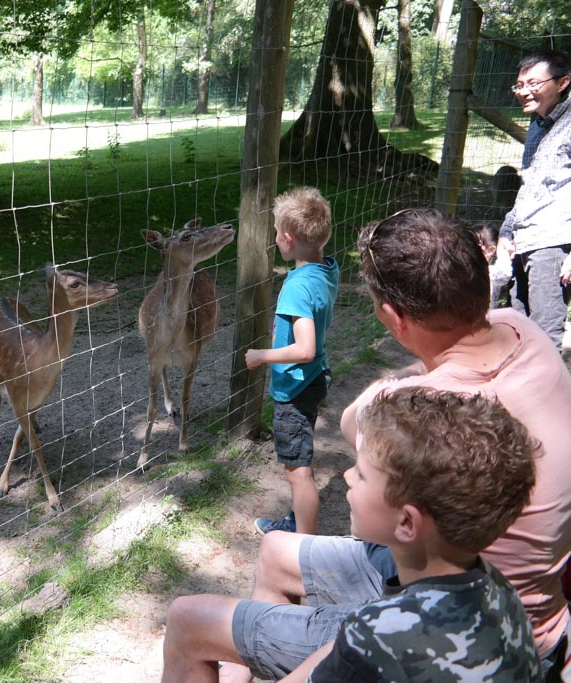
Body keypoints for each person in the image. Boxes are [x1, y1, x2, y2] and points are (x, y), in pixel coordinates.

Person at [160, 209, 571, 682]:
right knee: (276, 549)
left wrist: (399, 382)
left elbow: (357, 423)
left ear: (394, 318)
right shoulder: (523, 329)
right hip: (485, 582)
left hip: (448, 617)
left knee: (189, 621)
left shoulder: (422, 410)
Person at [302, 387, 539, 681]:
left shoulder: (373, 634)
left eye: (362, 475)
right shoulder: (499, 586)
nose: (347, 477)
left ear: (407, 523)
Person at [244, 187, 338, 536]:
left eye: (274, 233)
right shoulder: (326, 269)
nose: (274, 240)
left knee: (299, 473)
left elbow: (304, 349)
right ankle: (298, 522)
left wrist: (261, 356)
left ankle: (303, 546)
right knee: (299, 461)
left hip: (296, 386)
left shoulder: (297, 287)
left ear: (287, 239)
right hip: (315, 378)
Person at [498, 50, 571, 351]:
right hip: (523, 241)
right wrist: (506, 231)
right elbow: (530, 187)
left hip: (554, 243)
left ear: (563, 82)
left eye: (533, 83)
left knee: (544, 339)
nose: (524, 91)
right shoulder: (537, 124)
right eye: (519, 84)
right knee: (519, 332)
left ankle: (548, 398)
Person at [472, 222, 513, 307]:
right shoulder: (466, 269)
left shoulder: (490, 273)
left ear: (491, 250)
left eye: (475, 247)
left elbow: (504, 272)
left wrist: (503, 250)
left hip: (486, 316)